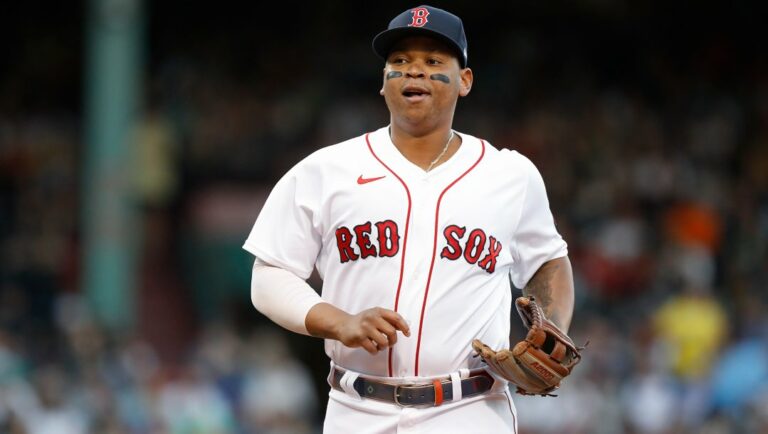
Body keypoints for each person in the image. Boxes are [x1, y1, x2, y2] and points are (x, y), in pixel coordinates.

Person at [243, 5, 575, 433]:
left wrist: (549, 327)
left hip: (469, 409)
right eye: (399, 62)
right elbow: (269, 275)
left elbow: (549, 259)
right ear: (384, 83)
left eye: (433, 61)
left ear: (465, 81)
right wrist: (338, 321)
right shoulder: (325, 170)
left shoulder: (510, 175)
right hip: (356, 408)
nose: (414, 71)